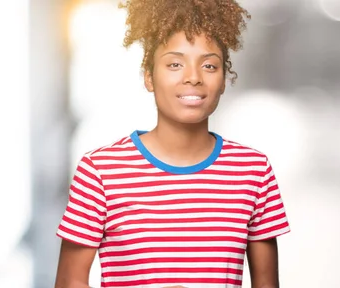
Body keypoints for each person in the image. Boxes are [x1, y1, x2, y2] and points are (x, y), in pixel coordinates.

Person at [54, 0, 290, 287]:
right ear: (149, 77)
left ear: (224, 80)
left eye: (209, 65)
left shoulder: (253, 170)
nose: (193, 78)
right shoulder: (100, 172)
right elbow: (69, 283)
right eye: (175, 64)